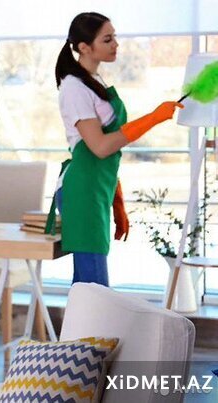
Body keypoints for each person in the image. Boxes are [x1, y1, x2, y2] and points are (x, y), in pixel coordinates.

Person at [50, 12, 183, 286]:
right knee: (95, 288)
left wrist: (116, 201)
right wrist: (153, 118)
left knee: (86, 287)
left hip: (97, 188)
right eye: (107, 39)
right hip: (83, 192)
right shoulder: (74, 88)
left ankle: (81, 319)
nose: (116, 44)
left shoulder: (94, 81)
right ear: (84, 47)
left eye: (115, 37)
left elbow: (109, 154)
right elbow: (100, 147)